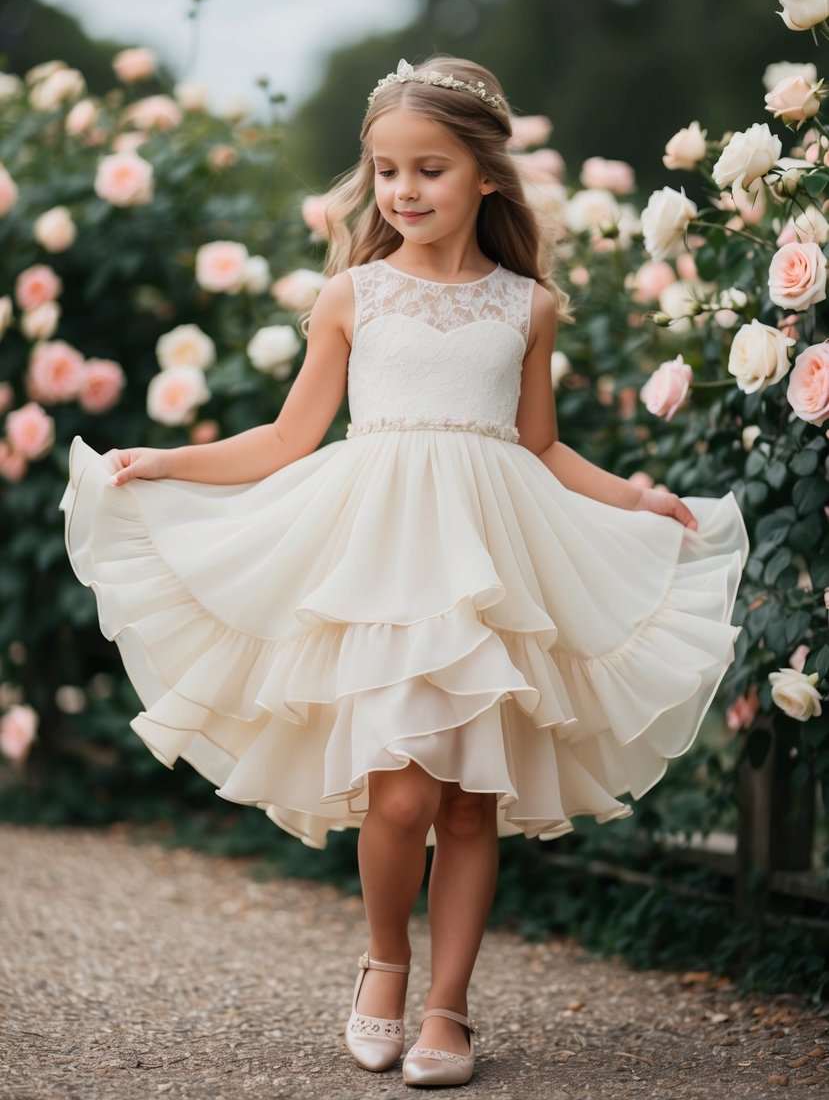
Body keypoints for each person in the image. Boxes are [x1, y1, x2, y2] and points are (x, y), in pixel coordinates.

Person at [61, 55, 748, 1088]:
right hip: (376, 565)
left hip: (488, 563)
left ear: (483, 175)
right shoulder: (354, 295)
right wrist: (169, 461)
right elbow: (292, 437)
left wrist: (631, 496)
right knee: (397, 800)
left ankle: (448, 1005)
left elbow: (541, 447)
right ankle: (385, 960)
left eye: (428, 169)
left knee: (470, 802)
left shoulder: (528, 305)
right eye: (386, 171)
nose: (404, 192)